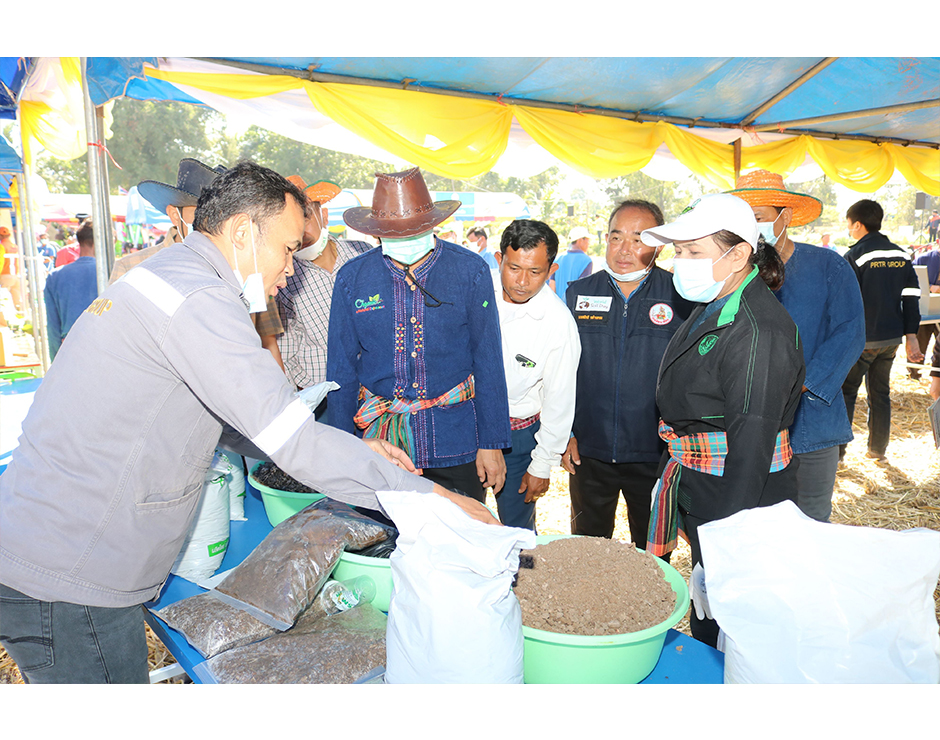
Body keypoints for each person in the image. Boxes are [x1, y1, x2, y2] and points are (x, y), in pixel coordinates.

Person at [0, 161, 497, 685]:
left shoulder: (171, 275)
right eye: (286, 249)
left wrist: (355, 453)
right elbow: (290, 438)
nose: (290, 269)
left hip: (54, 549)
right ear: (241, 232)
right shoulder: (201, 300)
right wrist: (431, 499)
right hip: (73, 574)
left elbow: (235, 419)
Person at [642, 193, 805, 647]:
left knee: (730, 618)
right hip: (703, 482)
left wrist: (726, 541)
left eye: (694, 252)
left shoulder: (758, 333)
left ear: (737, 255)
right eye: (678, 252)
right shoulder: (716, 303)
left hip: (737, 496)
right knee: (706, 609)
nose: (681, 263)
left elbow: (752, 443)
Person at [328, 167, 511, 502]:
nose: (405, 239)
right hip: (382, 446)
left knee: (459, 539)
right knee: (388, 542)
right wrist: (344, 448)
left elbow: (488, 360)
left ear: (431, 225)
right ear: (376, 232)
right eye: (393, 232)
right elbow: (340, 368)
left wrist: (492, 442)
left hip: (456, 441)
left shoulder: (470, 271)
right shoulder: (353, 278)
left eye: (413, 230)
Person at [729, 170, 865, 522]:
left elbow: (850, 332)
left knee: (811, 521)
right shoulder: (730, 272)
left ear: (784, 217)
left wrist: (802, 382)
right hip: (748, 427)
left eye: (758, 219)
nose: (751, 228)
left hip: (813, 422)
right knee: (755, 522)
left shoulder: (828, 266)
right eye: (743, 220)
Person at [562, 200, 693, 547]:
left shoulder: (683, 297)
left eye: (639, 239)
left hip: (656, 451)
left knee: (651, 552)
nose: (625, 250)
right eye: (617, 237)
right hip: (588, 450)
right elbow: (561, 372)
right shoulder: (578, 293)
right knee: (588, 550)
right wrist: (567, 433)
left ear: (660, 246)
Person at [492, 219, 580, 530]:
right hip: (468, 429)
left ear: (551, 270)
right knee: (459, 518)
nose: (522, 281)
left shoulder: (558, 323)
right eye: (514, 268)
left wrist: (542, 464)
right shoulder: (477, 298)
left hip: (519, 437)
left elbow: (559, 398)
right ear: (499, 259)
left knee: (518, 529)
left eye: (535, 272)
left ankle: (523, 580)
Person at [276, 176, 374, 400]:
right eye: (290, 224)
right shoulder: (282, 277)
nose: (301, 230)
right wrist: (302, 395)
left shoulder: (362, 254)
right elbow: (285, 349)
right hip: (321, 396)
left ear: (325, 216)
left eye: (306, 217)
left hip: (373, 391)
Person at [841, 199, 923, 462]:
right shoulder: (902, 255)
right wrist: (912, 337)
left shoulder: (855, 255)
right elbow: (911, 297)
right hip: (891, 340)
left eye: (850, 226)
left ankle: (838, 453)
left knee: (846, 392)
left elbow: (847, 302)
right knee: (880, 393)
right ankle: (877, 451)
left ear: (858, 224)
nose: (849, 231)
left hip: (863, 339)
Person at [43, 220, 99, 361]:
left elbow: (53, 327)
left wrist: (56, 361)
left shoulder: (55, 276)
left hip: (71, 350)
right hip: (106, 350)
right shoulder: (112, 272)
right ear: (98, 242)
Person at [912, 242, 940, 378]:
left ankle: (936, 374)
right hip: (925, 308)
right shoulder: (924, 259)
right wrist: (930, 286)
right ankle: (914, 373)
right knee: (920, 339)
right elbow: (911, 278)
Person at [550, 225, 594, 300]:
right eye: (587, 240)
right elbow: (583, 288)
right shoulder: (586, 261)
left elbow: (552, 285)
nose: (588, 243)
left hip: (557, 307)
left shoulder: (558, 259)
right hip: (573, 308)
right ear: (580, 240)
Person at [0, 225, 22, 312]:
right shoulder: (15, 246)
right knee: (17, 299)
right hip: (15, 274)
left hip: (5, 274)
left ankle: (8, 320)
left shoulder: (2, 246)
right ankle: (20, 315)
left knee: (4, 300)